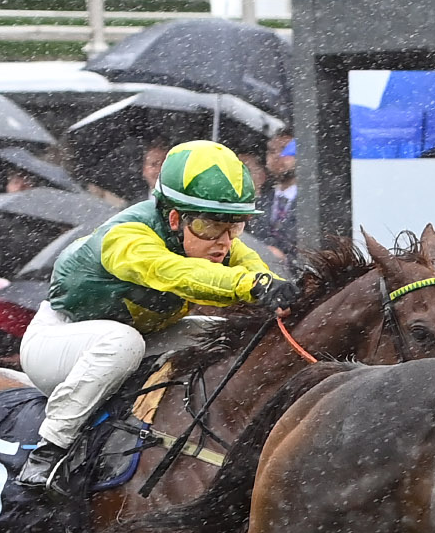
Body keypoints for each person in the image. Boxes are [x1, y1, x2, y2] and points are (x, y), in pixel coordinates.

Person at [17, 139, 295, 493]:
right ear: (175, 218)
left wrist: (281, 289)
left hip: (137, 339)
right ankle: (48, 452)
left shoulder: (207, 236)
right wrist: (251, 285)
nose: (224, 242)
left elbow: (254, 268)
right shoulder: (128, 238)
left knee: (218, 332)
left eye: (235, 226)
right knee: (123, 342)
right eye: (212, 226)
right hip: (57, 343)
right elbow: (179, 274)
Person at [261, 132, 298, 259]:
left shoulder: (313, 205)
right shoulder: (259, 201)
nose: (277, 156)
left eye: (284, 149)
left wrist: (287, 261)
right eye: (272, 151)